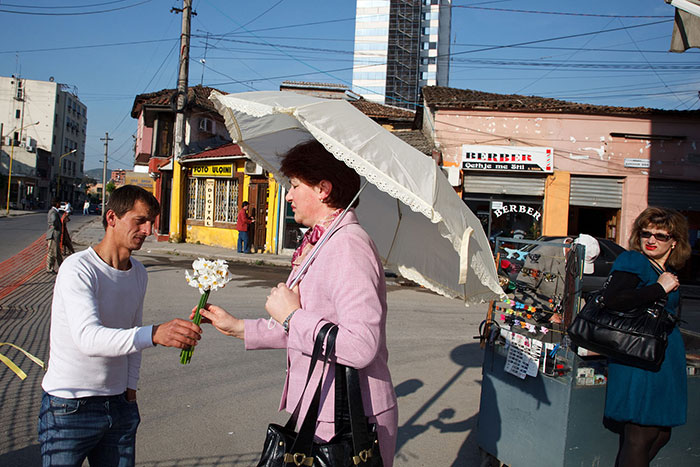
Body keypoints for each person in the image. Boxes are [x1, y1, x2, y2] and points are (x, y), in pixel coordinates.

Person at [196, 140, 398, 466]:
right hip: (320, 407)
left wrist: (292, 315)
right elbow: (306, 329)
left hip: (350, 419)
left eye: (294, 185)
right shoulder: (321, 242)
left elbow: (361, 345)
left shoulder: (348, 246)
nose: (288, 196)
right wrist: (236, 327)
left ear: (323, 189)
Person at [38, 185, 203, 467]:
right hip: (69, 405)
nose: (148, 230)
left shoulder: (138, 273)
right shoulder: (79, 269)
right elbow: (89, 338)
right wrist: (155, 334)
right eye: (140, 221)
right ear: (112, 218)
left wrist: (130, 389)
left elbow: (132, 330)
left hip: (118, 405)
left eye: (151, 222)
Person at [602, 207, 690, 467]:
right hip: (639, 356)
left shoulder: (662, 268)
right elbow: (613, 299)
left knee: (661, 434)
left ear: (674, 242)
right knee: (640, 434)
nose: (651, 240)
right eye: (646, 233)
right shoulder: (634, 261)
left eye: (661, 235)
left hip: (664, 357)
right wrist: (659, 288)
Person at [46, 198, 63, 273]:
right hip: (53, 235)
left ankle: (56, 267)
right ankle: (51, 268)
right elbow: (53, 221)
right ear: (57, 203)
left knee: (55, 252)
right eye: (59, 203)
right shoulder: (53, 212)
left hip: (54, 234)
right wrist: (56, 226)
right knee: (54, 252)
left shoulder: (53, 211)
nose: (60, 205)